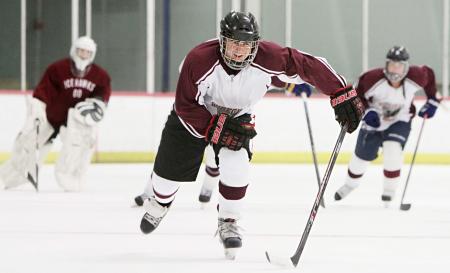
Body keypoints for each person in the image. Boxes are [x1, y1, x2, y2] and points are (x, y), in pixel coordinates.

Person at [135, 11, 364, 260]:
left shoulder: (269, 57)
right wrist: (212, 126)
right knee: (165, 180)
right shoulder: (198, 59)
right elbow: (185, 104)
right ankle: (160, 203)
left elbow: (306, 64)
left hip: (238, 118)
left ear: (255, 45)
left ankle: (228, 221)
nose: (238, 52)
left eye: (245, 45)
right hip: (193, 117)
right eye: (233, 44)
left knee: (237, 168)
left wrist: (340, 91)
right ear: (222, 41)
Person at [0, 36, 111, 192]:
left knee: (78, 147)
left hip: (77, 121)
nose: (83, 55)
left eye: (87, 52)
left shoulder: (101, 75)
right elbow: (43, 91)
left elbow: (102, 96)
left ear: (92, 54)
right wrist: (38, 110)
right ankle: (13, 176)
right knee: (27, 142)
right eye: (80, 51)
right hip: (52, 115)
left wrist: (97, 105)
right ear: (74, 50)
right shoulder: (57, 69)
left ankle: (72, 180)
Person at [334, 46, 440, 204]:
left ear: (406, 66)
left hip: (400, 120)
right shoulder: (371, 78)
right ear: (386, 64)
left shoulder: (416, 76)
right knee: (361, 158)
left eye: (399, 65)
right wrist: (367, 112)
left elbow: (429, 74)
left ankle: (389, 191)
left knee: (393, 150)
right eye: (392, 64)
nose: (395, 69)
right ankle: (350, 185)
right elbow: (357, 97)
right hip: (374, 121)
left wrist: (432, 100)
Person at [196, 82, 313, 205]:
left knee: (223, 159)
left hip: (233, 121)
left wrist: (291, 84)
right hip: (206, 117)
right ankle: (208, 187)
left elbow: (269, 76)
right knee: (209, 155)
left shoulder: (251, 70)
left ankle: (214, 194)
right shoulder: (214, 69)